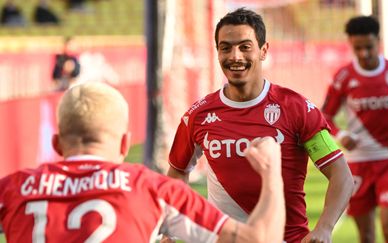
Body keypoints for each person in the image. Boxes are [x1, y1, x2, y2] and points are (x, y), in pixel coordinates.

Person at [0, 82, 285, 243]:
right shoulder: (154, 189)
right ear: (125, 143)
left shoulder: (13, 188)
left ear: (57, 144)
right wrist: (272, 173)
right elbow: (258, 239)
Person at [167, 8, 354, 243]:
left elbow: (341, 175)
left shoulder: (298, 108)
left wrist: (325, 228)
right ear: (217, 53)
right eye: (226, 47)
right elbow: (177, 172)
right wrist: (172, 226)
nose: (235, 56)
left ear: (263, 51)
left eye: (245, 47)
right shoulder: (198, 115)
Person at [321, 16, 388, 243]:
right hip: (358, 163)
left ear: (378, 41)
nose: (364, 53)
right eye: (357, 48)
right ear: (350, 44)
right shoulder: (344, 76)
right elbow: (325, 115)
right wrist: (342, 135)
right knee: (366, 236)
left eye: (368, 47)